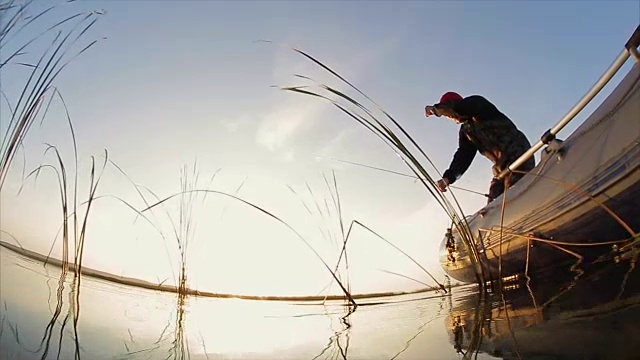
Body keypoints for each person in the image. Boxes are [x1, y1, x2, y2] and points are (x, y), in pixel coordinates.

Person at [424, 91, 535, 203]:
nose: (450, 117)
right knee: (493, 207)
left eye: (448, 114)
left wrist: (436, 109)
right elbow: (464, 155)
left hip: (518, 154)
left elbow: (461, 108)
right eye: (447, 116)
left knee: (512, 199)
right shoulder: (466, 132)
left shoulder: (478, 105)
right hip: (500, 169)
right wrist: (448, 178)